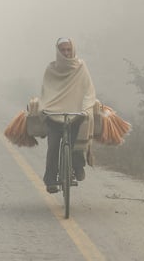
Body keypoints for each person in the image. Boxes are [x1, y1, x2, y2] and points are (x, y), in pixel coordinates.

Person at [40, 37, 96, 194]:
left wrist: (85, 110)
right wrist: (45, 108)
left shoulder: (81, 67)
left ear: (73, 50)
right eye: (62, 50)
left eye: (68, 49)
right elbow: (46, 93)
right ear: (58, 52)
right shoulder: (51, 69)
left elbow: (88, 91)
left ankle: (77, 167)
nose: (65, 53)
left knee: (76, 144)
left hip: (75, 114)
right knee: (53, 148)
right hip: (53, 114)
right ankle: (50, 180)